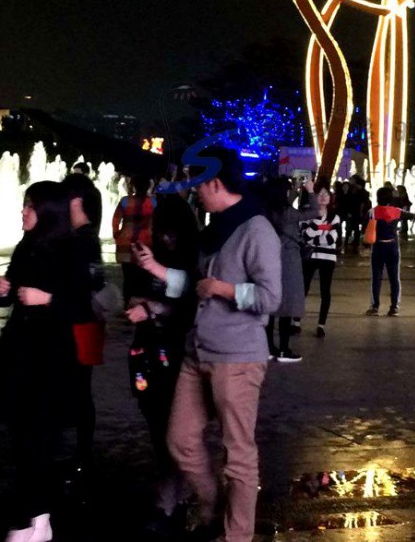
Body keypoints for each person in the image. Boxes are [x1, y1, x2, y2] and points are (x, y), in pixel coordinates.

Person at [166, 146, 281, 542]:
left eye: (198, 184)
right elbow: (197, 286)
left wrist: (225, 289)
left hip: (238, 358)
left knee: (238, 454)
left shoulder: (256, 229)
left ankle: (237, 535)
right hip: (198, 351)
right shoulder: (215, 228)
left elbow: (271, 297)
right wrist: (156, 271)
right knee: (180, 439)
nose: (194, 193)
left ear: (214, 182)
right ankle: (214, 506)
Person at [0, 181, 76, 542]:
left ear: (48, 212)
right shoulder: (27, 246)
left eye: (30, 206)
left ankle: (36, 519)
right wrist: (1, 291)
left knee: (39, 435)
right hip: (19, 351)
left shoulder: (68, 250)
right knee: (21, 434)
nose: (23, 212)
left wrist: (47, 299)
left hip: (48, 356)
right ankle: (35, 517)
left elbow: (81, 305)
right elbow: (13, 293)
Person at [127, 192, 200, 536]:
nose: (164, 238)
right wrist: (139, 299)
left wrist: (153, 308)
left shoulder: (190, 261)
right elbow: (134, 293)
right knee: (156, 425)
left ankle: (174, 498)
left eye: (171, 232)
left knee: (175, 430)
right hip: (147, 353)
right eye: (160, 230)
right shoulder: (150, 256)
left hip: (175, 354)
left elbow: (189, 305)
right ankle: (173, 494)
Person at [61, 172, 105, 500]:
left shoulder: (82, 239)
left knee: (77, 389)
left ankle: (82, 454)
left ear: (76, 201)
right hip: (88, 324)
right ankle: (82, 453)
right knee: (80, 389)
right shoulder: (86, 237)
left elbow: (82, 284)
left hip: (80, 324)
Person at [264, 176, 319, 362]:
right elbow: (314, 212)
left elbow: (285, 201)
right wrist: (310, 191)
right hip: (289, 261)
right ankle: (284, 349)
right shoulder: (289, 213)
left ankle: (269, 347)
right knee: (287, 305)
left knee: (271, 305)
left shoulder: (268, 211)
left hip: (270, 260)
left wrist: (295, 189)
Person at [298, 180, 341, 337]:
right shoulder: (306, 214)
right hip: (310, 256)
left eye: (326, 193)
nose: (323, 196)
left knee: (325, 291)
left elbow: (331, 239)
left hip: (328, 258)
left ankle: (321, 325)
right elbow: (305, 237)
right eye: (320, 193)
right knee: (303, 288)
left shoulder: (335, 217)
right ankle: (296, 321)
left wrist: (314, 233)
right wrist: (320, 223)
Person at [364, 187, 414, 317]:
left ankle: (375, 307)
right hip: (392, 247)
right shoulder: (397, 211)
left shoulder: (372, 212)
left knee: (376, 278)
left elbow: (365, 221)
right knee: (394, 278)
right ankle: (394, 307)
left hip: (378, 247)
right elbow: (411, 215)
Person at [112, 173, 157, 307]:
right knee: (144, 280)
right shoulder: (153, 202)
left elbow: (115, 220)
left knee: (128, 280)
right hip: (145, 246)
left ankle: (128, 307)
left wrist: (117, 235)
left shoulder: (125, 201)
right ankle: (141, 309)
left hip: (125, 246)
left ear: (134, 186)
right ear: (148, 186)